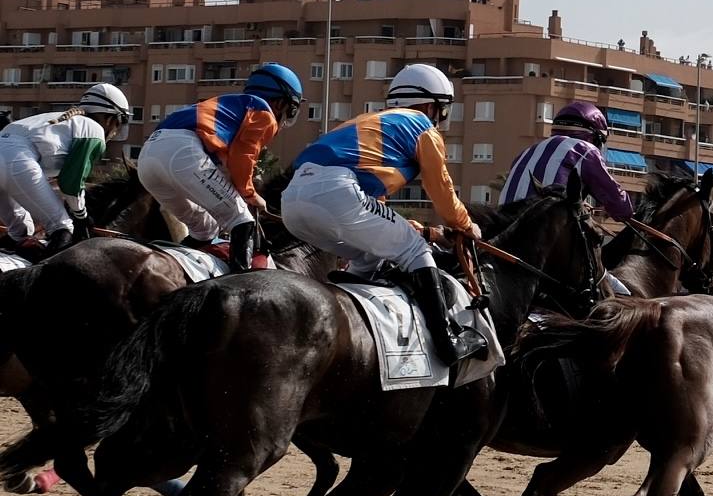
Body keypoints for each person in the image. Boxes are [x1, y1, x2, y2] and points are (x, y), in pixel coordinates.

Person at [282, 63, 483, 365]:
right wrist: (465, 225)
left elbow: (375, 206)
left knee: (370, 255)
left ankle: (346, 325)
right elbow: (440, 188)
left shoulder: (370, 122)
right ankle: (447, 342)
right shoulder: (421, 125)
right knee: (416, 251)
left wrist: (412, 226)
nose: (440, 118)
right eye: (442, 110)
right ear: (431, 106)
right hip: (336, 193)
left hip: (293, 202)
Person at [137, 63, 304, 272]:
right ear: (280, 103)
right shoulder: (264, 113)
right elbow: (243, 157)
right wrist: (250, 195)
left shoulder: (234, 107)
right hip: (181, 153)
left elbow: (224, 162)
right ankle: (238, 284)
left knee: (205, 229)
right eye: (291, 109)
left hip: (148, 159)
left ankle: (173, 273)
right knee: (242, 219)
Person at [0, 83, 131, 254]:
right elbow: (70, 183)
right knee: (62, 227)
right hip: (16, 160)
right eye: (119, 124)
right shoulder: (94, 130)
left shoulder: (59, 120)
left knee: (21, 232)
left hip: (11, 154)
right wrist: (81, 216)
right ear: (111, 119)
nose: (115, 132)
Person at [498, 101, 632, 222]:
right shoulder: (585, 150)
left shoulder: (528, 151)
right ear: (595, 137)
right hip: (541, 230)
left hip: (501, 226)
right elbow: (621, 208)